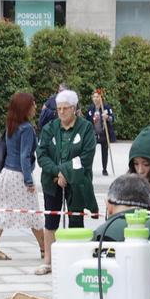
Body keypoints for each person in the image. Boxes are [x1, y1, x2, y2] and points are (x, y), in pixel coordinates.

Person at [35, 89, 97, 275]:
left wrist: (66, 173)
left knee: (75, 219)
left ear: (74, 108)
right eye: (58, 109)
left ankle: (74, 260)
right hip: (51, 181)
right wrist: (58, 172)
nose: (61, 112)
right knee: (50, 220)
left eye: (65, 109)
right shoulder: (49, 128)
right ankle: (49, 261)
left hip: (77, 182)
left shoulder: (85, 128)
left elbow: (86, 157)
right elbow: (42, 154)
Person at [0, 91, 42, 263]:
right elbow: (25, 156)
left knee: (3, 210)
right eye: (33, 103)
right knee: (33, 213)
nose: (35, 107)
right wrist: (28, 180)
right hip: (19, 176)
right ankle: (45, 247)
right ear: (25, 108)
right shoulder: (26, 129)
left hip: (6, 174)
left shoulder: (11, 125)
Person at [88, 88, 116, 175]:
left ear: (101, 98)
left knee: (105, 152)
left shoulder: (106, 107)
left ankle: (104, 169)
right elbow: (87, 121)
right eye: (94, 97)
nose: (95, 99)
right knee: (90, 151)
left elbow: (113, 119)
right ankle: (89, 169)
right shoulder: (91, 108)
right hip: (94, 134)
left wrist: (107, 117)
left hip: (104, 133)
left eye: (97, 97)